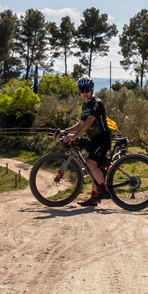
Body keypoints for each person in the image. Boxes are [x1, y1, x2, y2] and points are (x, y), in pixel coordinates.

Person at [60, 76, 112, 207]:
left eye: (87, 90)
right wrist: (66, 131)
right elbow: (81, 123)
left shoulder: (96, 103)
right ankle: (94, 197)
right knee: (93, 166)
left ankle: (104, 190)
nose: (84, 93)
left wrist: (75, 135)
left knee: (90, 163)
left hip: (102, 138)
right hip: (95, 139)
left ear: (92, 89)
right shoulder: (85, 106)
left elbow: (89, 122)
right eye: (81, 91)